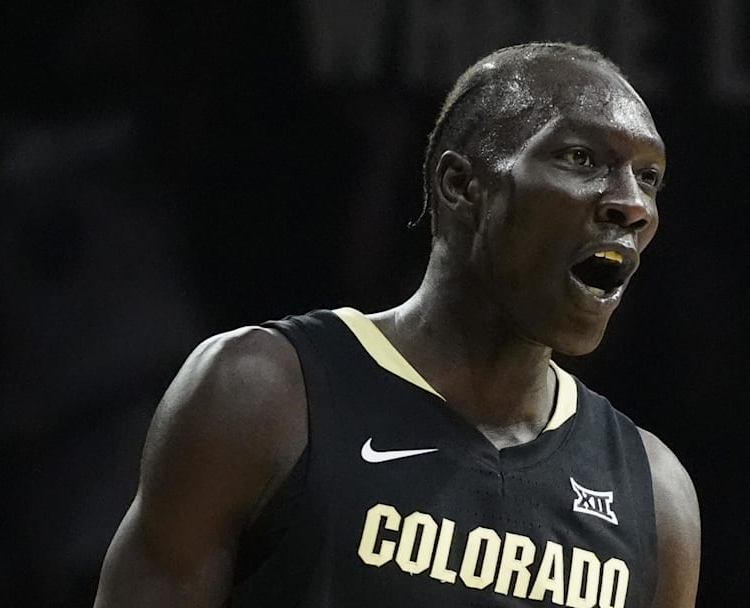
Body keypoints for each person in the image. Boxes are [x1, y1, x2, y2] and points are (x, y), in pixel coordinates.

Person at [94, 42, 700, 608]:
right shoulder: (262, 394)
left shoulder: (654, 495)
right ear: (461, 185)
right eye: (581, 158)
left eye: (648, 178)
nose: (633, 205)